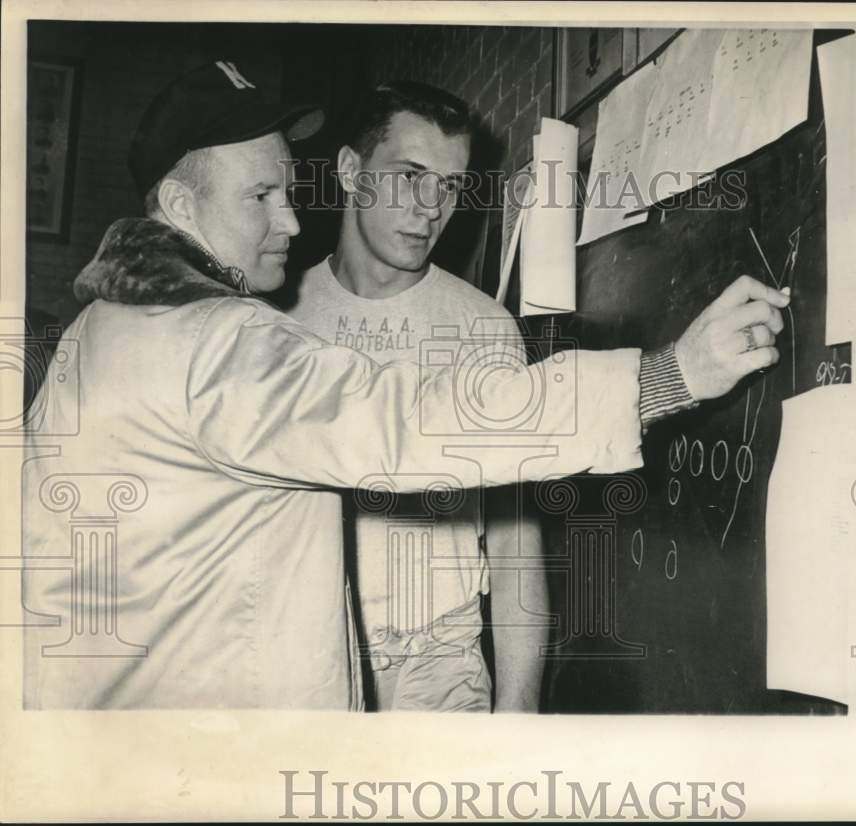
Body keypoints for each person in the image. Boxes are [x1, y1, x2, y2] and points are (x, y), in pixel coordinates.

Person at [21, 60, 790, 710]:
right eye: (260, 197)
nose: (291, 222)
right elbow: (408, 425)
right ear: (183, 204)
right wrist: (668, 376)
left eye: (287, 191)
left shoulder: (96, 333)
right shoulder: (214, 339)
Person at [287, 82, 549, 713]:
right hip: (306, 660)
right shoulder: (277, 319)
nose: (431, 207)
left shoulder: (484, 328)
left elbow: (515, 547)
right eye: (410, 176)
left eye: (451, 186)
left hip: (440, 667)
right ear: (352, 172)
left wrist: (518, 715)